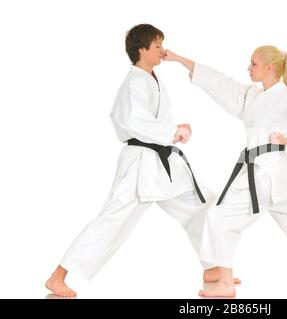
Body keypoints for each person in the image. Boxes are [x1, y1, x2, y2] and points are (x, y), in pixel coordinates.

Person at [164, 46, 287, 297]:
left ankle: (225, 283)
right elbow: (220, 83)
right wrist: (181, 60)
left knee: (220, 217)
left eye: (253, 64)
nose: (248, 68)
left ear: (269, 67)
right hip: (273, 178)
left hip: (265, 175)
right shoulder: (253, 96)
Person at [45, 24, 217, 297]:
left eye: (163, 45)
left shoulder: (151, 78)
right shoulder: (135, 81)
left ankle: (213, 268)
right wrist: (172, 131)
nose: (163, 50)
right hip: (140, 165)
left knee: (201, 204)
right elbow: (133, 120)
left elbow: (150, 120)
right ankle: (58, 276)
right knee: (111, 223)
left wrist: (172, 128)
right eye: (157, 46)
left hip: (161, 164)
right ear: (141, 49)